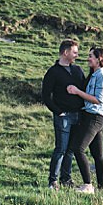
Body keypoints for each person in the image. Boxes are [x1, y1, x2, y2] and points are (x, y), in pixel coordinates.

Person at [40, 39, 85, 188]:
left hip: (77, 116)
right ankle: (53, 181)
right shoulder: (53, 72)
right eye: (74, 52)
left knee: (70, 150)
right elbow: (46, 95)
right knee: (61, 148)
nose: (77, 55)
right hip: (63, 116)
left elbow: (84, 89)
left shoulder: (78, 70)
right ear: (65, 52)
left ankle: (66, 180)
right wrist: (58, 112)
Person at [65, 46, 103, 193]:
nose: (88, 58)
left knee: (78, 148)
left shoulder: (101, 77)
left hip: (94, 117)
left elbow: (98, 100)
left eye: (91, 56)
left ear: (99, 59)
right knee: (97, 154)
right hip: (95, 116)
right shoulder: (94, 75)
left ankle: (87, 185)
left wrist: (77, 92)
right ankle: (102, 188)